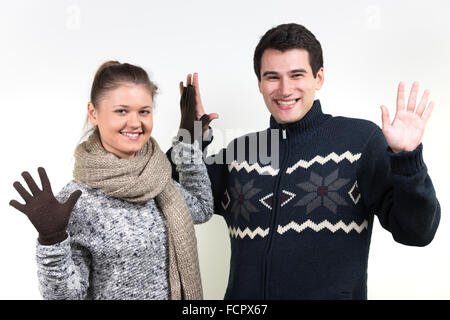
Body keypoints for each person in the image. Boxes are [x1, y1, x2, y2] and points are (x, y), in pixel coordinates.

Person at [169, 23, 441, 299]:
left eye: (296, 75)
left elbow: (417, 232)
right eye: (272, 77)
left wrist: (408, 159)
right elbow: (166, 191)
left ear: (318, 78)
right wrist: (190, 134)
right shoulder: (241, 153)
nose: (285, 89)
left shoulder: (361, 141)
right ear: (260, 84)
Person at [9, 61, 214, 300]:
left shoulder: (156, 178)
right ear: (94, 113)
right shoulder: (77, 200)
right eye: (122, 111)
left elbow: (201, 208)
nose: (136, 123)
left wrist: (188, 138)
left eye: (144, 111)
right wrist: (51, 241)